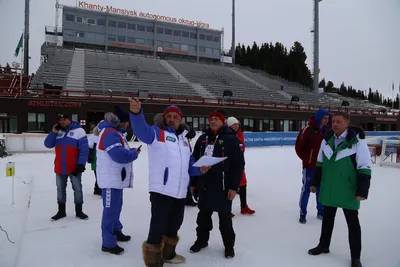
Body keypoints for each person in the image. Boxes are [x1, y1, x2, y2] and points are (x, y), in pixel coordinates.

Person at [129, 98, 209, 267]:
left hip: (180, 192)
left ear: (181, 120)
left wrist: (199, 169)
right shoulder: (158, 134)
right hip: (161, 190)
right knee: (157, 227)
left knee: (174, 225)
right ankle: (153, 262)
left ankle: (168, 254)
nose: (172, 119)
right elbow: (141, 131)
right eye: (169, 116)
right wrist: (136, 113)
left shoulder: (185, 140)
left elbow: (189, 164)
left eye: (175, 116)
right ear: (164, 119)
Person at [308, 112, 371, 267]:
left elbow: (364, 166)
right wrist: (315, 182)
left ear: (347, 124)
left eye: (338, 122)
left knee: (352, 223)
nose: (334, 124)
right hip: (329, 187)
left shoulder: (358, 142)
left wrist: (362, 190)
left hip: (348, 189)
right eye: (333, 121)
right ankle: (324, 245)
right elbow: (320, 163)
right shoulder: (326, 140)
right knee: (327, 219)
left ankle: (355, 256)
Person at [190, 108, 245, 259]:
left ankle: (229, 246)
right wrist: (193, 182)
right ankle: (201, 241)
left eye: (216, 119)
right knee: (202, 218)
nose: (213, 121)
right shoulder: (202, 139)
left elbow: (238, 165)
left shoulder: (232, 139)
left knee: (225, 220)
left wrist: (234, 187)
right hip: (205, 186)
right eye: (211, 119)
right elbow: (194, 161)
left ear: (223, 121)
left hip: (223, 187)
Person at [96, 106, 140, 255]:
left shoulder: (116, 133)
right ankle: (108, 243)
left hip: (115, 180)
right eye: (127, 122)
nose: (128, 125)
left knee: (116, 208)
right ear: (120, 122)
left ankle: (116, 231)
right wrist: (133, 153)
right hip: (110, 181)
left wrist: (131, 152)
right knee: (110, 211)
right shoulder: (110, 133)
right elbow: (118, 155)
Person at [44, 113, 89, 221]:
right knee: (60, 190)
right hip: (60, 167)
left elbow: (84, 149)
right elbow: (48, 144)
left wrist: (81, 164)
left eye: (64, 119)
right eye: (60, 120)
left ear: (69, 119)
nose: (62, 122)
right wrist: (53, 133)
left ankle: (79, 211)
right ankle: (61, 211)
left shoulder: (79, 131)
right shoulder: (58, 131)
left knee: (77, 189)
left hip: (74, 168)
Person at [295, 109, 330, 224]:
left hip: (322, 166)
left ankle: (321, 211)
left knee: (320, 189)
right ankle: (303, 211)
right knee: (307, 189)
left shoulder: (327, 130)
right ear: (319, 118)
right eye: (324, 118)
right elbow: (299, 147)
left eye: (328, 118)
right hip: (309, 166)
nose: (326, 120)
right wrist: (307, 159)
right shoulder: (307, 130)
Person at [226, 117, 255, 216]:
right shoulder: (226, 134)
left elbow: (242, 147)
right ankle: (227, 209)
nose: (236, 126)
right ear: (229, 125)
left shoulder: (240, 134)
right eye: (234, 124)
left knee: (243, 184)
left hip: (239, 163)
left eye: (237, 124)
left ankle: (244, 206)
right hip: (229, 164)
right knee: (229, 186)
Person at [88, 124, 101, 195]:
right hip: (95, 159)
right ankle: (98, 189)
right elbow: (90, 148)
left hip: (97, 159)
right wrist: (89, 157)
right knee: (98, 175)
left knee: (99, 175)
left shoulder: (93, 137)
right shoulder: (93, 137)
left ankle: (97, 189)